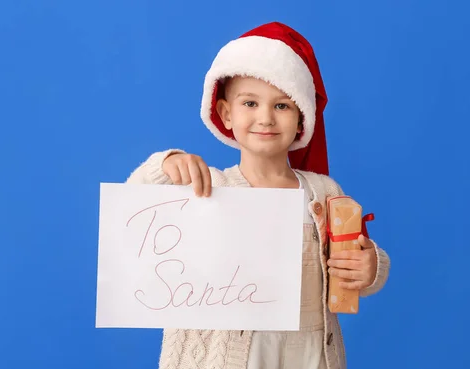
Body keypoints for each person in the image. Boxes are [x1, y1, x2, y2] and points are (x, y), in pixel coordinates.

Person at [126, 21, 390, 369]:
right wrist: (167, 163)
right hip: (230, 359)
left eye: (282, 106)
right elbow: (131, 209)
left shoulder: (323, 193)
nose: (265, 118)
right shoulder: (207, 187)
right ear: (225, 114)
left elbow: (354, 269)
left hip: (310, 356)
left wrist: (371, 267)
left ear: (301, 120)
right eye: (250, 103)